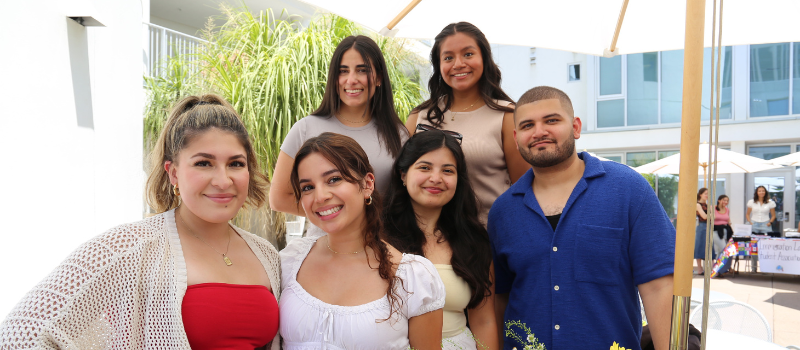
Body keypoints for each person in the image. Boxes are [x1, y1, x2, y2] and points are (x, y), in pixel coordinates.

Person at [0, 95, 281, 349]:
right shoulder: (127, 247)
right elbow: (21, 333)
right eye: (203, 163)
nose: (223, 180)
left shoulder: (265, 254)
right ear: (173, 173)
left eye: (236, 163)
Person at [489, 86, 675, 350]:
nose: (539, 131)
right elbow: (500, 300)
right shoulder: (503, 212)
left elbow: (659, 288)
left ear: (575, 127)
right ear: (516, 137)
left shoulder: (628, 189)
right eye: (528, 125)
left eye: (552, 120)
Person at [279, 132, 445, 349]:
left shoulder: (413, 277)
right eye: (307, 187)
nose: (320, 197)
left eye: (334, 179)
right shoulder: (290, 262)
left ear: (367, 184)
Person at [269, 35, 408, 237]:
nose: (351, 80)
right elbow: (279, 198)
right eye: (343, 71)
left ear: (378, 78)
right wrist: (332, 213)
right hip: (321, 250)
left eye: (362, 70)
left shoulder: (398, 135)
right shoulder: (306, 128)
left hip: (380, 248)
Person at [405, 22, 530, 225]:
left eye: (468, 54)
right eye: (448, 57)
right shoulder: (419, 116)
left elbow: (523, 189)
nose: (458, 64)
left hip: (488, 238)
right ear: (438, 66)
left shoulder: (507, 116)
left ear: (484, 58)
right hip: (424, 240)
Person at [383, 130, 498, 349]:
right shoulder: (376, 236)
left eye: (447, 170)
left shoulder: (473, 240)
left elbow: (484, 320)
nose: (436, 178)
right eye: (424, 167)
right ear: (403, 174)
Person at [694, 188, 710, 275]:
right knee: (699, 246)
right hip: (701, 226)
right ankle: (700, 268)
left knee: (709, 247)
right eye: (705, 194)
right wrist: (711, 215)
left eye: (708, 194)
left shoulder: (707, 205)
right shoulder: (698, 204)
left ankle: (708, 268)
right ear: (700, 194)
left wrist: (710, 215)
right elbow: (704, 216)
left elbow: (712, 217)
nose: (707, 195)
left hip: (708, 226)